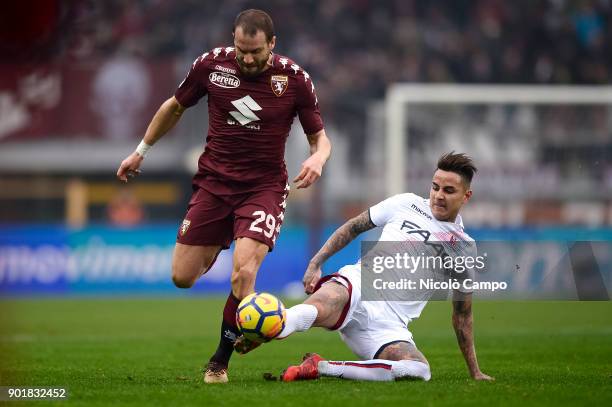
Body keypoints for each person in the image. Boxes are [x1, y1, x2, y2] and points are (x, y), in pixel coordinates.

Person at [116, 9, 331, 383]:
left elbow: (320, 138)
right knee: (182, 277)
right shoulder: (211, 66)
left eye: (256, 52)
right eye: (241, 49)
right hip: (214, 184)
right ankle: (224, 246)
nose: (247, 59)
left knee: (243, 274)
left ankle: (219, 362)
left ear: (272, 45)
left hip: (262, 188)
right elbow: (175, 106)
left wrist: (319, 158)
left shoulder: (295, 80)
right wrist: (141, 151)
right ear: (233, 39)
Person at [236, 152, 493, 382]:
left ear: (466, 196)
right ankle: (275, 325)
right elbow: (354, 226)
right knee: (322, 303)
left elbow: (462, 315)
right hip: (357, 286)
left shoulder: (463, 249)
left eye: (448, 191)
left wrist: (475, 372)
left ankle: (321, 367)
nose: (438, 195)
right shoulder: (406, 203)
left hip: (388, 326)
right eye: (435, 187)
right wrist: (316, 263)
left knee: (418, 371)